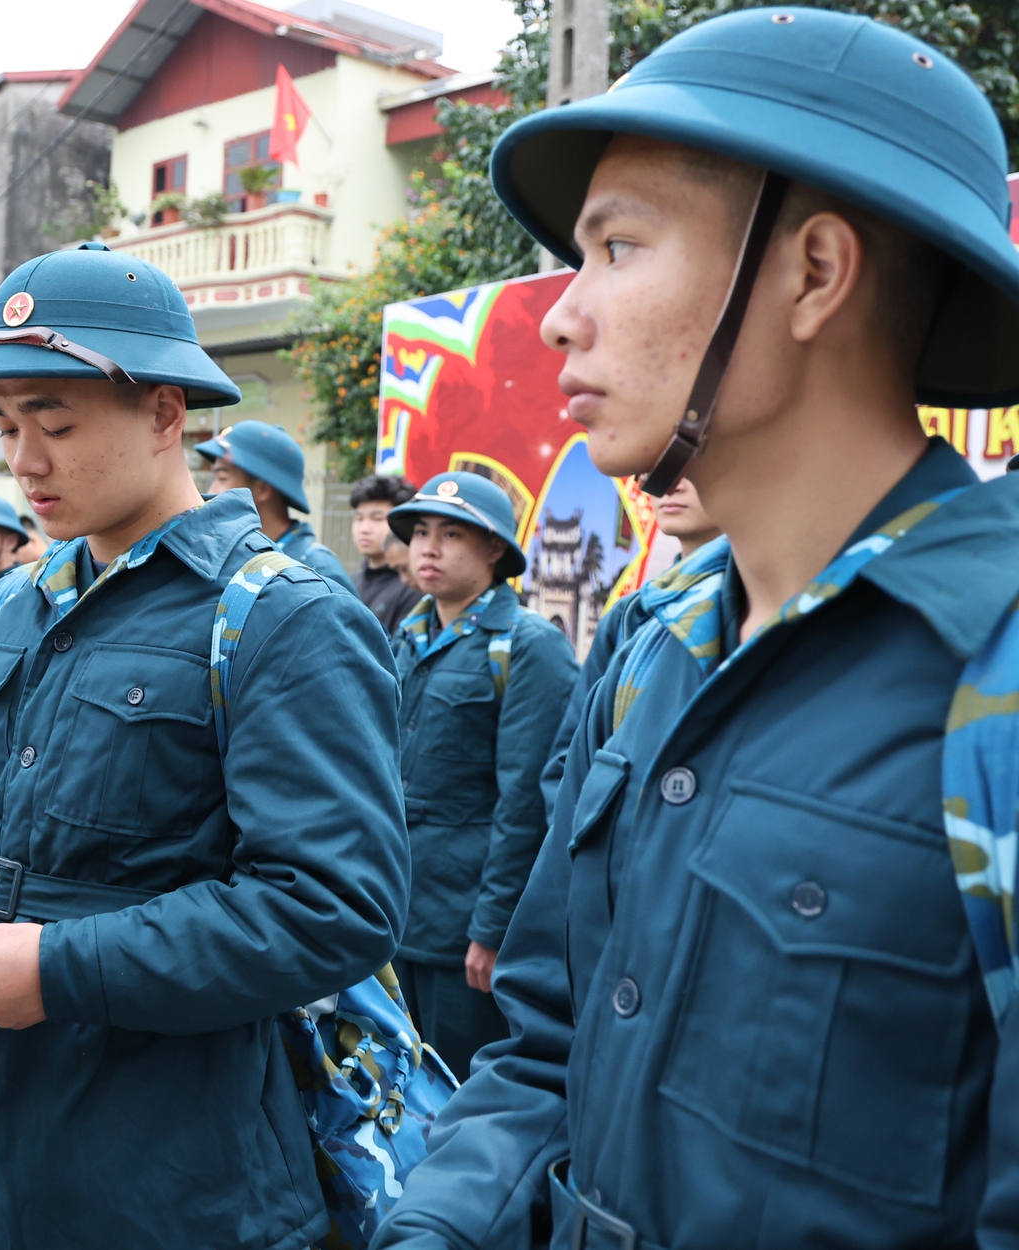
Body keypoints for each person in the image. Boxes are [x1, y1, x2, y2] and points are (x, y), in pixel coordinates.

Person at [376, 12, 1019, 1247]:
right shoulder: (655, 650)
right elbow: (548, 1047)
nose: (561, 316)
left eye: (617, 246)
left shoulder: (990, 669)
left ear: (813, 273)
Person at [0, 242, 410, 1250]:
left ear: (162, 413)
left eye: (54, 421)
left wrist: (65, 966)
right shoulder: (14, 603)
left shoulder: (278, 615)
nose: (23, 460)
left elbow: (331, 905)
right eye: (8, 424)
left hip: (164, 1185)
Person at [385, 472, 577, 1072]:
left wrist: (494, 929)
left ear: (495, 551)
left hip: (464, 928)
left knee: (457, 1091)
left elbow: (525, 804)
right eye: (419, 532)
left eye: (451, 534)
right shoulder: (406, 637)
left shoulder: (528, 646)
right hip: (395, 911)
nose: (429, 548)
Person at [537, 474, 722, 816]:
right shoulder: (629, 616)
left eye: (697, 463)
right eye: (658, 468)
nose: (670, 483)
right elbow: (568, 762)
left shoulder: (766, 610)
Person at [196, 418, 356, 591]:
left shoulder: (319, 572)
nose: (211, 491)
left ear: (263, 489)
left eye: (222, 478)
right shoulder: (229, 559)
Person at [348, 473, 422, 635]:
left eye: (377, 519)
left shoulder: (414, 587)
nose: (364, 529)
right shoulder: (348, 584)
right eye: (359, 519)